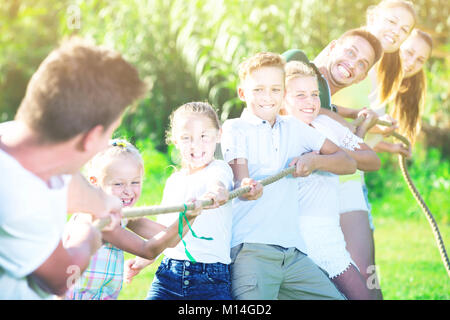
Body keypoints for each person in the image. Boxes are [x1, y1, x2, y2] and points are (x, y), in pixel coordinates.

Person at [0, 37, 146, 299]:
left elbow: (67, 180)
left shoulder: (14, 137)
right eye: (109, 133)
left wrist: (102, 201)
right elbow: (60, 277)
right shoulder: (21, 200)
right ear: (91, 138)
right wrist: (87, 237)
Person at [221, 52, 357, 300]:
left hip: (294, 253)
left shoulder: (294, 127)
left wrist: (315, 161)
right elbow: (241, 178)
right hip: (252, 251)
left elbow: (347, 162)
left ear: (283, 93)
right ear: (242, 93)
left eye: (275, 89)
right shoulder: (235, 129)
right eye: (258, 90)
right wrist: (248, 186)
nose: (267, 97)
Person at [327, 1, 418, 300]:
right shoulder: (346, 53)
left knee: (367, 275)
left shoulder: (380, 70)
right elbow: (312, 105)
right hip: (320, 176)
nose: (397, 32)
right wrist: (363, 122)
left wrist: (378, 133)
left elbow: (348, 126)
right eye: (392, 22)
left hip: (349, 180)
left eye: (404, 30)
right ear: (372, 16)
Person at [283, 60, 380, 299]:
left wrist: (330, 153)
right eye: (300, 95)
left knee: (362, 294)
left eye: (315, 94)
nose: (311, 102)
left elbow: (371, 160)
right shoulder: (280, 129)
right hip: (294, 238)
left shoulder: (324, 123)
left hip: (327, 234)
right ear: (283, 98)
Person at [64, 139, 201, 300]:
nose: (128, 191)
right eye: (118, 184)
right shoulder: (100, 219)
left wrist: (192, 215)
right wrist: (187, 218)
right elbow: (148, 250)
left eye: (135, 182)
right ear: (95, 182)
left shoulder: (122, 214)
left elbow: (169, 239)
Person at [136, 101, 234, 300]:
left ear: (219, 135)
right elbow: (165, 232)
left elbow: (218, 184)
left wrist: (216, 192)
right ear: (175, 140)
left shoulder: (218, 169)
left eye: (204, 136)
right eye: (186, 138)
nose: (196, 145)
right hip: (169, 275)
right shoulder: (174, 181)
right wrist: (143, 260)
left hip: (211, 279)